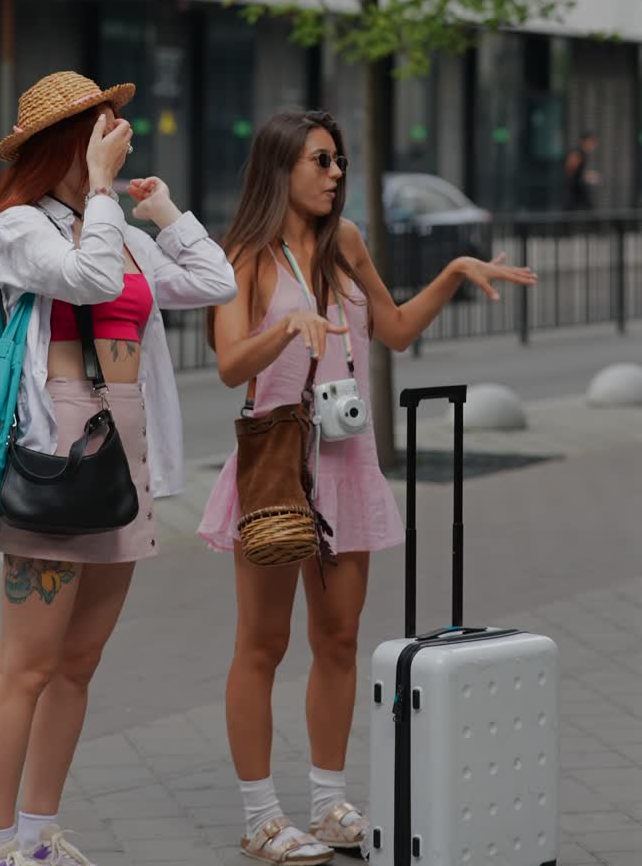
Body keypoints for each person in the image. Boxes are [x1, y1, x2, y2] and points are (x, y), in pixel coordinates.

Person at [198, 109, 538, 865]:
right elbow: (228, 365)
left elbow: (394, 330)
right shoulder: (245, 255)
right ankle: (260, 817)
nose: (336, 173)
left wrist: (453, 273)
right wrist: (285, 330)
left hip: (347, 462)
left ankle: (327, 804)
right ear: (281, 165)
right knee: (262, 643)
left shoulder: (345, 243)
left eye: (341, 160)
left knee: (340, 640)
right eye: (321, 160)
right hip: (279, 464)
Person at [0, 71, 236, 866]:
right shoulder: (21, 226)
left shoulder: (117, 224)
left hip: (127, 456)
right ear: (65, 145)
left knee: (78, 664)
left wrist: (163, 211)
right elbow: (87, 278)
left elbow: (215, 283)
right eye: (102, 127)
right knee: (27, 666)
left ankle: (40, 833)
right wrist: (111, 196)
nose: (117, 135)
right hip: (54, 462)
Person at [564, 130, 599, 210]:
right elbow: (570, 170)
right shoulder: (577, 153)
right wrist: (586, 177)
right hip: (574, 187)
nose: (593, 146)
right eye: (591, 142)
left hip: (578, 187)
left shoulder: (582, 154)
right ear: (585, 141)